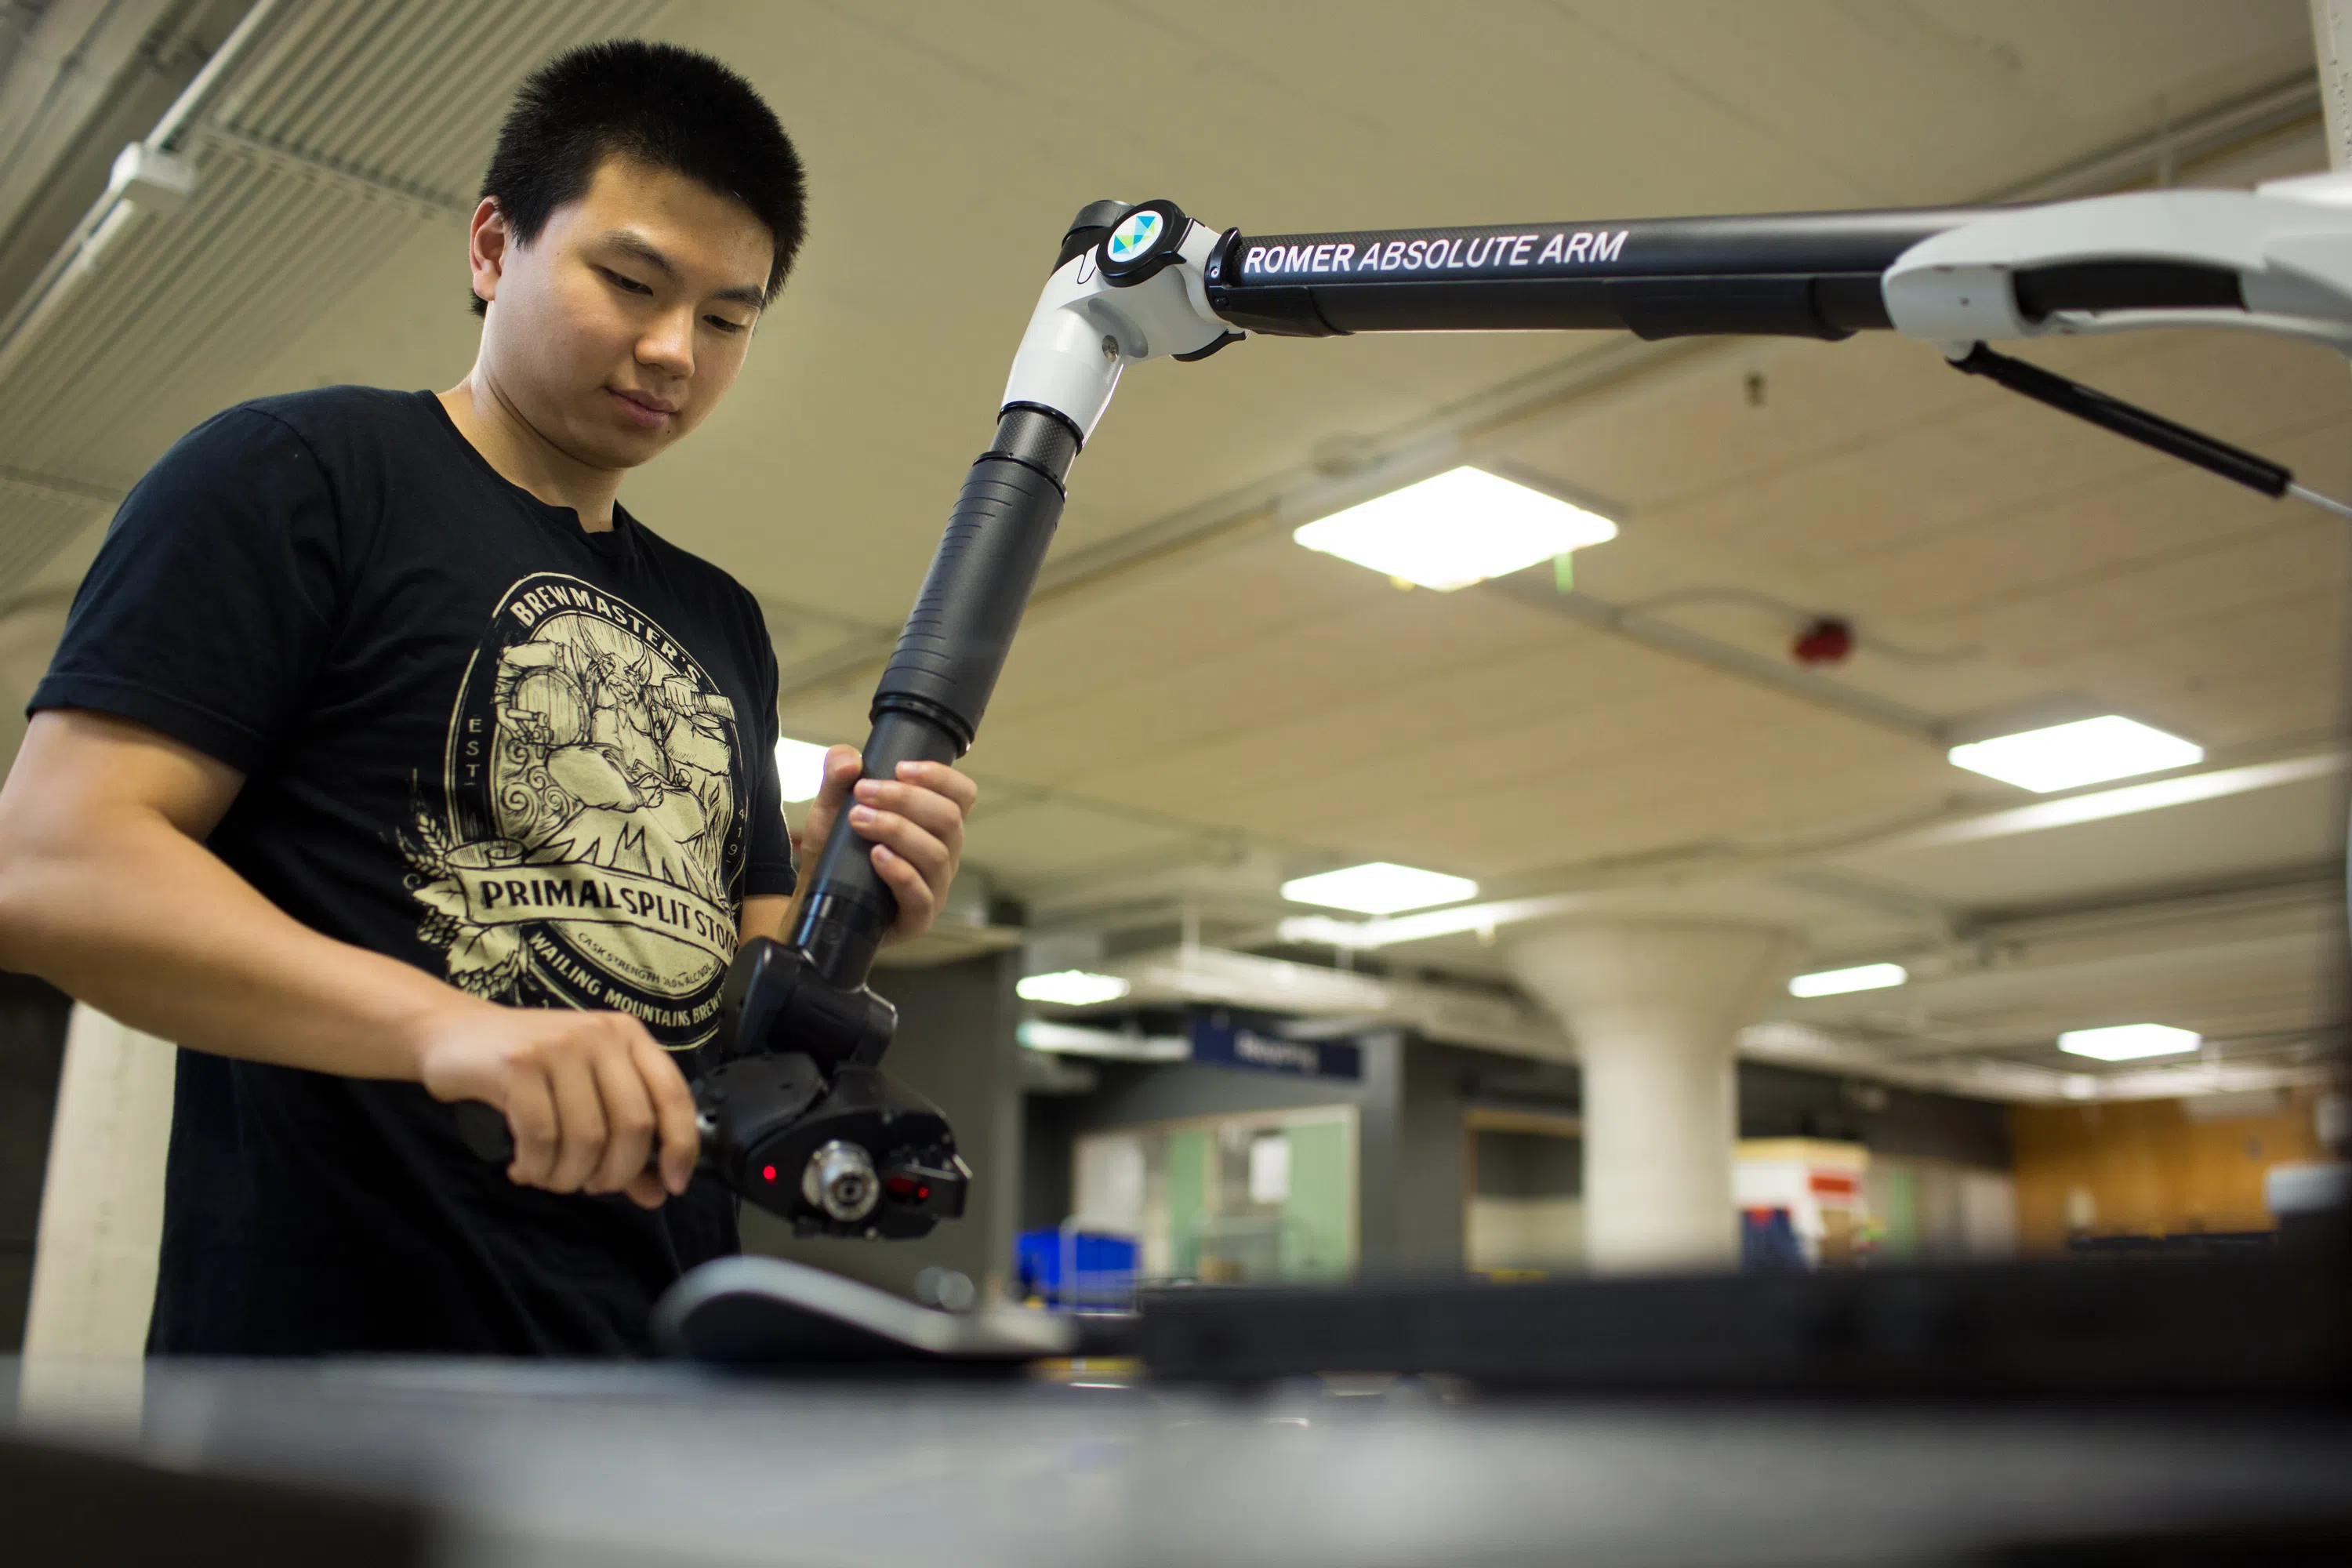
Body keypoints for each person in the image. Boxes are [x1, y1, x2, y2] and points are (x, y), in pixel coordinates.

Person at [0, 40, 978, 1355]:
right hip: (338, 1401)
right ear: (491, 247)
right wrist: (449, 1032)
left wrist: (848, 898)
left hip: (655, 1380)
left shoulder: (721, 623)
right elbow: (50, 866)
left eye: (728, 318)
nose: (673, 348)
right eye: (630, 281)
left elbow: (742, 992)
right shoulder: (301, 475)